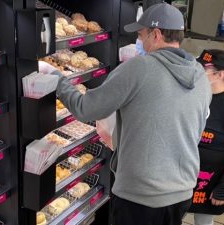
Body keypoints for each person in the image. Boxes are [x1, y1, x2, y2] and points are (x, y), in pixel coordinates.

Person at [40, 3, 212, 225]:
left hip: (141, 195)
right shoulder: (200, 75)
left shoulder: (139, 68)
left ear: (156, 34)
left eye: (141, 35)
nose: (140, 42)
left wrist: (56, 77)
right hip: (182, 192)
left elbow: (85, 108)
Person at [188, 49, 224, 225]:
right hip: (179, 178)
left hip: (211, 183)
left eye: (204, 70)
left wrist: (223, 190)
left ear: (220, 74)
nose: (198, 73)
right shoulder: (192, 95)